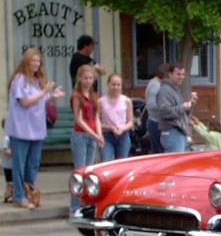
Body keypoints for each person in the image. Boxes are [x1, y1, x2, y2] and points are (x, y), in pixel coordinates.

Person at [5, 48, 64, 209]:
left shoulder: (38, 81)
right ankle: (18, 196)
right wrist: (44, 91)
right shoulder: (19, 79)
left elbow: (41, 101)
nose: (36, 64)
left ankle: (29, 192)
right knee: (20, 163)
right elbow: (25, 102)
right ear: (26, 62)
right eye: (33, 61)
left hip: (36, 128)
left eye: (38, 61)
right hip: (21, 129)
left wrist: (52, 96)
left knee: (33, 163)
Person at [70, 64, 103, 212]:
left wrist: (99, 134)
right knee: (79, 172)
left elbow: (96, 117)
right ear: (79, 78)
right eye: (85, 78)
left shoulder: (94, 96)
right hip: (80, 135)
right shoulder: (76, 96)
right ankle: (75, 206)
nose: (88, 81)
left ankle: (86, 204)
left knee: (89, 172)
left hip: (91, 136)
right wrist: (94, 134)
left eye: (90, 78)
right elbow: (79, 119)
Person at [157, 63, 196, 153]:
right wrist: (183, 106)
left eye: (183, 74)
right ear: (170, 75)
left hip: (180, 133)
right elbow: (165, 112)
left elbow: (181, 114)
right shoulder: (165, 90)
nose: (181, 77)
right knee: (175, 165)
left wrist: (190, 104)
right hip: (172, 133)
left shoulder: (175, 89)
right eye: (178, 74)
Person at [99, 73, 134, 161]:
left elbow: (130, 122)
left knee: (121, 163)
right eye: (113, 84)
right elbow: (96, 122)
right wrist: (110, 127)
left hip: (123, 136)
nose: (116, 87)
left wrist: (122, 128)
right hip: (107, 136)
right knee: (106, 161)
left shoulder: (127, 101)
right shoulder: (101, 101)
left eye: (118, 85)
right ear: (108, 84)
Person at [145, 63, 169, 154]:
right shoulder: (156, 85)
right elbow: (151, 105)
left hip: (156, 122)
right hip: (156, 122)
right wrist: (168, 107)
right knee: (160, 152)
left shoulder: (154, 83)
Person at [2, 120, 13, 203]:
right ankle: (8, 195)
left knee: (12, 181)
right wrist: (15, 152)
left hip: (12, 164)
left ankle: (10, 194)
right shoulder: (6, 138)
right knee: (10, 182)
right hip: (8, 165)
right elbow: (5, 151)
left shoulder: (11, 138)